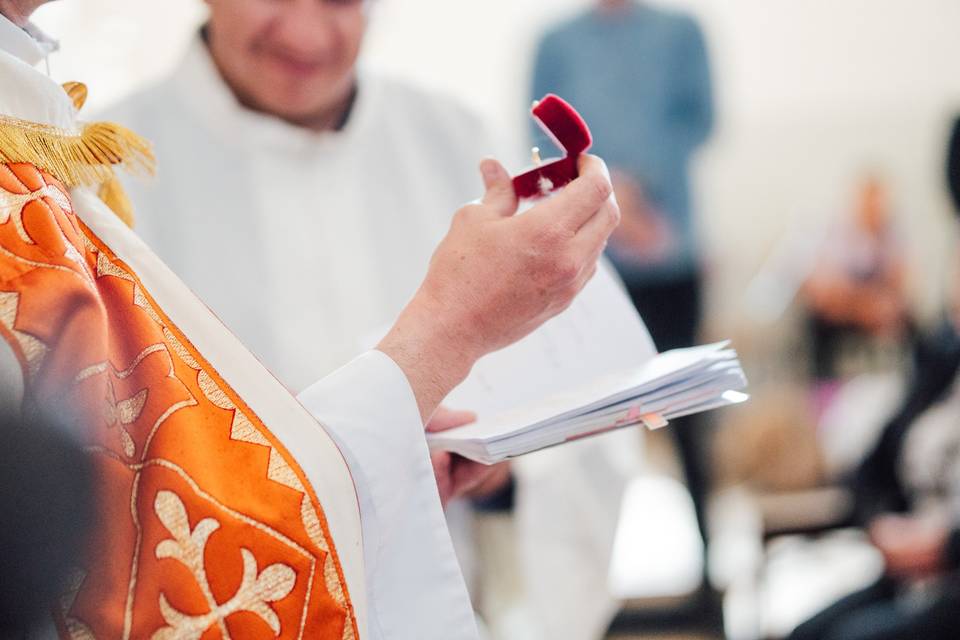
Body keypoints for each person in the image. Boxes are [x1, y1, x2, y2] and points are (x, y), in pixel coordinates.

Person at [0, 2, 621, 638]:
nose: (305, 33)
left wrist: (502, 467)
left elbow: (592, 416)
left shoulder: (458, 136)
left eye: (339, 0)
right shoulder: (94, 167)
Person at [529, 4, 715, 632]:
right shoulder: (555, 42)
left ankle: (709, 577)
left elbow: (701, 119)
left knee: (690, 418)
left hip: (668, 252)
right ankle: (592, 597)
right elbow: (539, 132)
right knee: (587, 428)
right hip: (588, 259)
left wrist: (636, 190)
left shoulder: (682, 32)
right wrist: (603, 194)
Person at [786, 121, 960, 640]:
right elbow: (873, 468)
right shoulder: (943, 364)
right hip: (912, 576)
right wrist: (882, 522)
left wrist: (946, 546)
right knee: (801, 634)